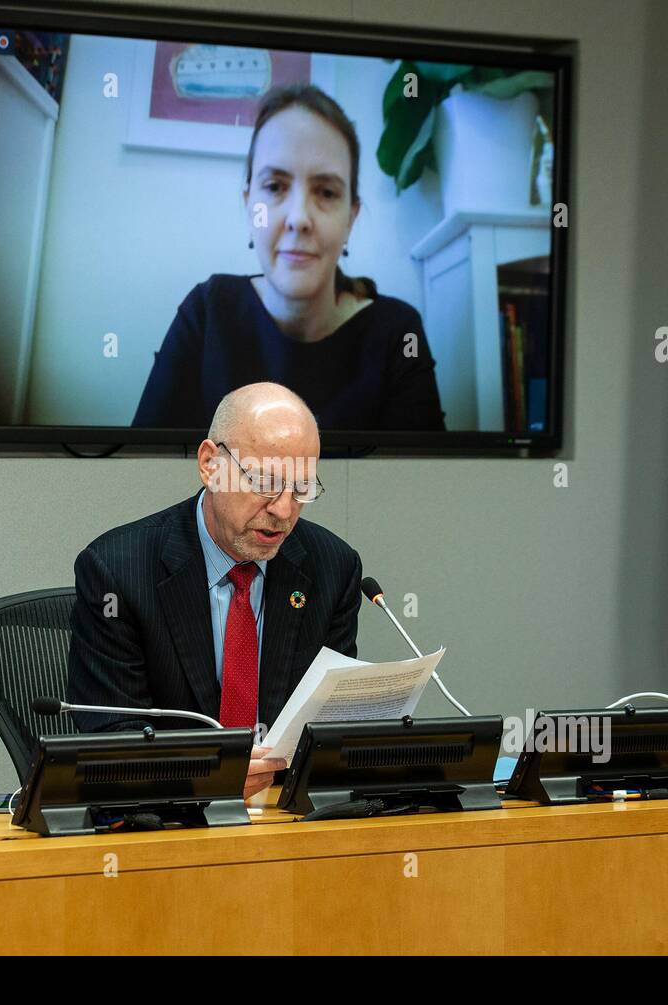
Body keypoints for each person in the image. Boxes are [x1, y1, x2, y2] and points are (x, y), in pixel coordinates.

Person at [68, 382, 362, 800]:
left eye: (301, 489)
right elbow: (113, 739)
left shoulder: (332, 567)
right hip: (168, 817)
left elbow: (331, 724)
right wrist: (211, 775)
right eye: (264, 482)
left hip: (285, 816)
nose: (283, 510)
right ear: (210, 464)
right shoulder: (117, 571)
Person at [132, 83, 446, 433]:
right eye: (276, 187)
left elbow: (425, 484)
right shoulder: (207, 311)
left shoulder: (397, 333)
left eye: (326, 192)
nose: (298, 217)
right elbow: (144, 467)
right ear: (250, 205)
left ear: (350, 220)